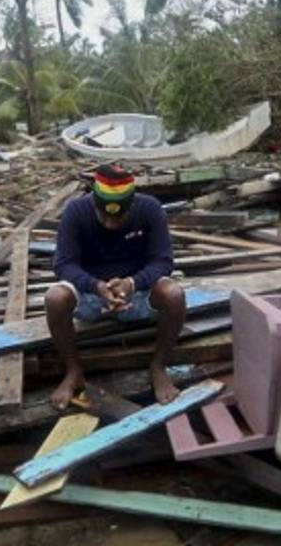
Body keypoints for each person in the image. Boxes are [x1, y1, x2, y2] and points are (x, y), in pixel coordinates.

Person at [46, 163, 185, 409]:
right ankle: (73, 370)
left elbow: (163, 261)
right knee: (55, 298)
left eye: (119, 217)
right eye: (105, 217)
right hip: (91, 295)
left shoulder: (150, 209)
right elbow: (63, 264)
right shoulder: (76, 211)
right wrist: (97, 286)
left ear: (131, 205)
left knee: (174, 294)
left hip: (137, 293)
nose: (111, 224)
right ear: (94, 204)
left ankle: (158, 366)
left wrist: (132, 283)